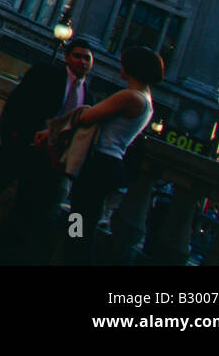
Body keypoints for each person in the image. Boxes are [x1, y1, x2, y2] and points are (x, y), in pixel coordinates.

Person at [0, 39, 94, 256]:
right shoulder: (45, 74)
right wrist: (13, 136)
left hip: (47, 158)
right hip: (21, 145)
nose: (83, 62)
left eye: (87, 58)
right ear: (67, 57)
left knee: (25, 205)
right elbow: (16, 103)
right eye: (78, 56)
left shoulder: (88, 94)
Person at [54, 46, 161, 264]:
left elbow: (87, 117)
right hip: (110, 164)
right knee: (87, 218)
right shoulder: (147, 101)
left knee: (80, 218)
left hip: (98, 163)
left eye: (123, 62)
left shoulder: (129, 96)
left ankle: (72, 259)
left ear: (131, 67)